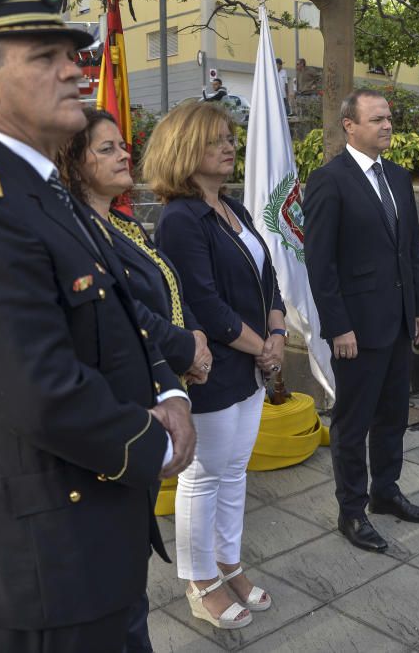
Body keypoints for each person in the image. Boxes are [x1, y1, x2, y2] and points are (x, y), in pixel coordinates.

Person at [0, 0, 196, 651]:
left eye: (75, 54)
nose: (77, 68)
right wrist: (152, 443)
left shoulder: (43, 189)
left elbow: (124, 304)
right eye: (48, 56)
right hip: (46, 556)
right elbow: (38, 390)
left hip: (94, 535)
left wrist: (170, 391)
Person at [55, 107, 213, 652]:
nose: (125, 154)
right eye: (106, 148)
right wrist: (182, 350)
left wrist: (192, 340)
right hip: (124, 404)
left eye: (124, 145)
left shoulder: (123, 222)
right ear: (73, 165)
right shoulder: (74, 231)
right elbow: (128, 315)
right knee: (112, 574)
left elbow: (169, 287)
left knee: (130, 567)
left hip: (162, 381)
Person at [145, 102, 287, 629]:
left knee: (234, 472)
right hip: (214, 369)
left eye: (230, 137)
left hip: (249, 365)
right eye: (214, 141)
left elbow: (268, 274)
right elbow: (203, 304)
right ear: (185, 150)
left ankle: (230, 563)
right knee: (203, 477)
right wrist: (264, 346)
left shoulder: (232, 208)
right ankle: (199, 578)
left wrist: (275, 330)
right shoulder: (181, 219)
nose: (229, 147)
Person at [303, 89, 419, 553]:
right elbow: (320, 264)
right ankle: (352, 510)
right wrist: (338, 326)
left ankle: (386, 492)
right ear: (349, 126)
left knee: (393, 414)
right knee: (353, 423)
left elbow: (411, 250)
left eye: (389, 118)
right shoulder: (328, 181)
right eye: (377, 119)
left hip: (398, 323)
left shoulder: (397, 178)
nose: (387, 125)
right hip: (355, 329)